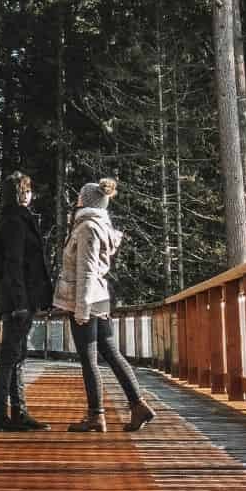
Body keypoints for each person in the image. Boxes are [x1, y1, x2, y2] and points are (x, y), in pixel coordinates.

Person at [53, 177, 155, 433]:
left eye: (80, 196)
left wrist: (81, 310)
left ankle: (96, 416)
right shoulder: (97, 224)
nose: (77, 199)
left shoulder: (87, 226)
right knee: (111, 353)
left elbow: (86, 271)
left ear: (86, 201)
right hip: (99, 298)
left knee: (89, 360)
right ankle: (138, 405)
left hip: (86, 299)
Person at [0, 170, 54, 431]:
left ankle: (17, 413)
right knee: (10, 357)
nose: (30, 195)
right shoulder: (15, 222)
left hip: (20, 297)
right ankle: (0, 416)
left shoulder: (14, 220)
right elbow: (13, 264)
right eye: (26, 191)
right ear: (19, 194)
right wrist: (20, 303)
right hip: (18, 299)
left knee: (16, 356)